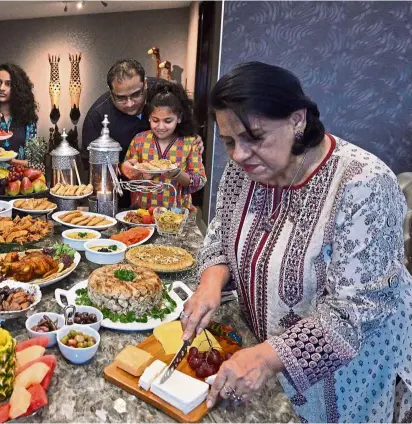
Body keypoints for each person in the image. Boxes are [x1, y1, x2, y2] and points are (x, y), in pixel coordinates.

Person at [182, 62, 412, 422]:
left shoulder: (364, 185)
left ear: (297, 120)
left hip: (348, 378)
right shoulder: (244, 170)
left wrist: (265, 357)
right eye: (228, 141)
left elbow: (353, 315)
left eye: (254, 137)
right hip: (263, 358)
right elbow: (220, 234)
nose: (239, 154)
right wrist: (210, 285)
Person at [81, 59, 202, 208]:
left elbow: (185, 121)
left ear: (145, 84)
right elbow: (91, 165)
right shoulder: (97, 116)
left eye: (136, 94)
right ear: (110, 90)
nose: (130, 103)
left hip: (174, 200)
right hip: (124, 198)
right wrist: (119, 168)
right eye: (121, 98)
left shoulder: (163, 92)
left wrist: (193, 136)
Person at [120, 84, 206, 212]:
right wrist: (135, 173)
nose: (160, 126)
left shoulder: (189, 143)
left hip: (177, 214)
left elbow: (200, 180)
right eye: (155, 120)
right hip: (142, 213)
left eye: (167, 121)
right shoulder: (139, 140)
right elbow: (128, 174)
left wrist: (177, 174)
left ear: (179, 118)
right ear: (149, 117)